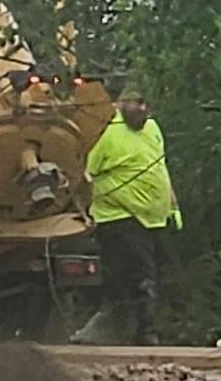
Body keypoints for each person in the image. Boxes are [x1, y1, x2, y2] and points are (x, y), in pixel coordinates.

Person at [73, 83, 179, 346]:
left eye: (146, 104)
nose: (142, 109)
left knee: (154, 276)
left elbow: (159, 167)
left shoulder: (152, 128)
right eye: (136, 103)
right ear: (120, 102)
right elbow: (85, 173)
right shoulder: (105, 131)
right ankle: (141, 332)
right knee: (136, 275)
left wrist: (173, 206)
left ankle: (141, 328)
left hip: (156, 218)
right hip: (118, 217)